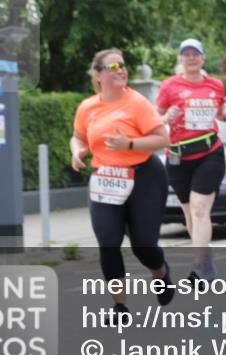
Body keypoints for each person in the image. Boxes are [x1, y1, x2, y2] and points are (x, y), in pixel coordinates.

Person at [71, 49, 174, 319]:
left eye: (122, 65)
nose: (121, 70)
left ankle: (161, 273)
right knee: (108, 242)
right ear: (98, 75)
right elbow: (78, 137)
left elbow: (162, 139)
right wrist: (77, 151)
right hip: (105, 179)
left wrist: (128, 143)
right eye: (113, 66)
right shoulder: (87, 107)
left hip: (144, 176)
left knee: (143, 245)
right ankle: (120, 306)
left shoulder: (137, 103)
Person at [156, 39, 226, 280]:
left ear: (203, 58)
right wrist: (167, 117)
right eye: (186, 54)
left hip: (210, 153)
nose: (191, 58)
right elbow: (155, 119)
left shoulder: (216, 86)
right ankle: (206, 258)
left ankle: (199, 267)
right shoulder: (169, 86)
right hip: (179, 157)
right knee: (189, 213)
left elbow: (221, 114)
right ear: (180, 59)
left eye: (195, 54)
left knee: (199, 209)